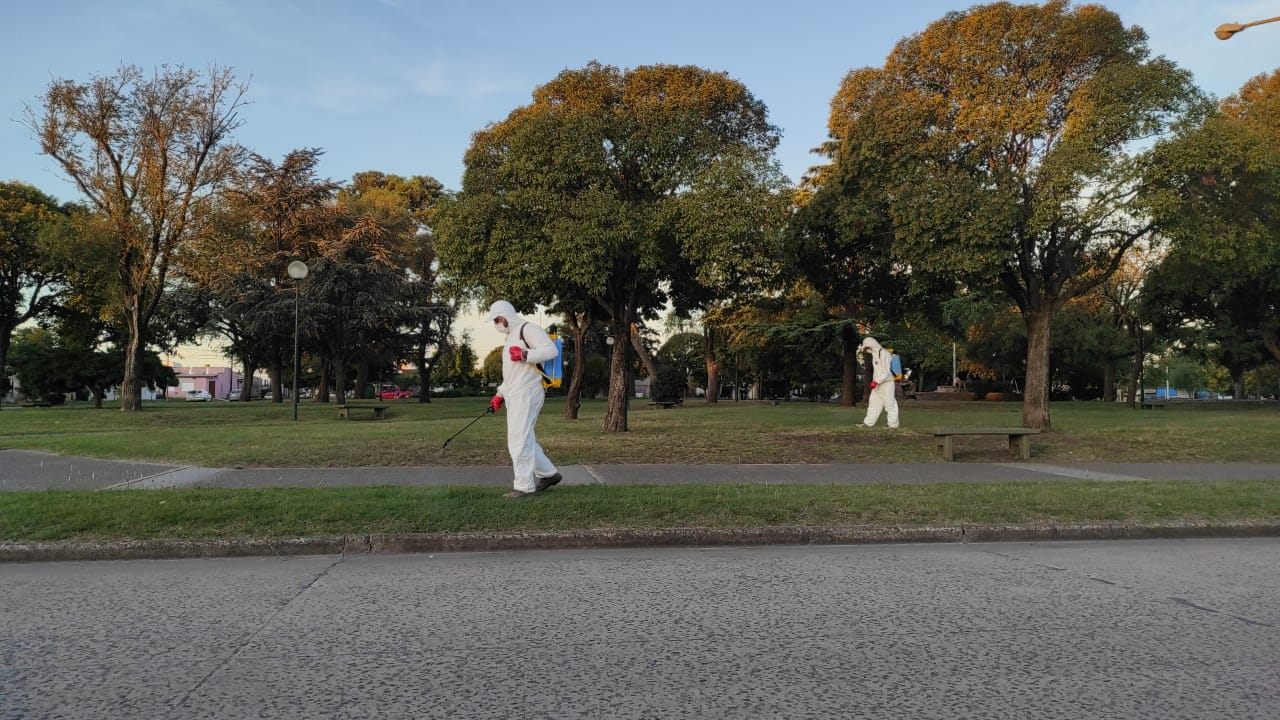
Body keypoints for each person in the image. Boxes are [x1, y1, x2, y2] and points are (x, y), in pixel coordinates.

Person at [487, 300, 562, 498]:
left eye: (496, 319)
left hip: (528, 392)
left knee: (518, 440)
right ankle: (549, 474)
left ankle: (524, 487)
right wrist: (500, 394)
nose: (496, 324)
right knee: (524, 437)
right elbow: (512, 374)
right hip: (516, 392)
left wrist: (524, 353)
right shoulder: (510, 337)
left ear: (504, 317)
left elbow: (551, 350)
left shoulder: (527, 329)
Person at [859, 336, 899, 429]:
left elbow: (886, 371)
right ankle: (868, 423)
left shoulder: (884, 354)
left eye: (867, 347)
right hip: (878, 384)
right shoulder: (875, 354)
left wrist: (876, 381)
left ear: (872, 344)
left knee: (890, 404)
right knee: (874, 403)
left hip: (887, 384)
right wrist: (875, 382)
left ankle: (892, 425)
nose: (867, 350)